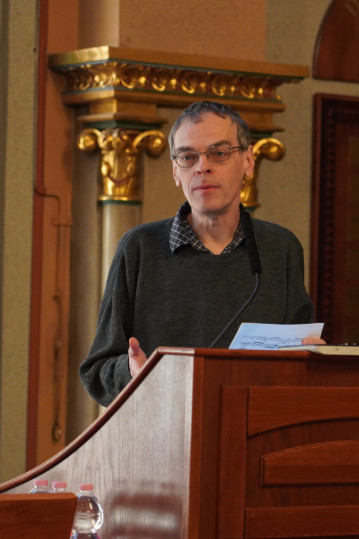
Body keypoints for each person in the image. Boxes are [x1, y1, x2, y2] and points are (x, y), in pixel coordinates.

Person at [79, 100, 320, 407]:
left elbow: (299, 361)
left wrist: (311, 358)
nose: (202, 166)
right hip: (161, 427)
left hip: (250, 426)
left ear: (248, 161)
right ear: (176, 172)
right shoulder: (138, 248)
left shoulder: (281, 248)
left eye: (219, 153)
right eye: (188, 157)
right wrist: (132, 372)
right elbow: (96, 372)